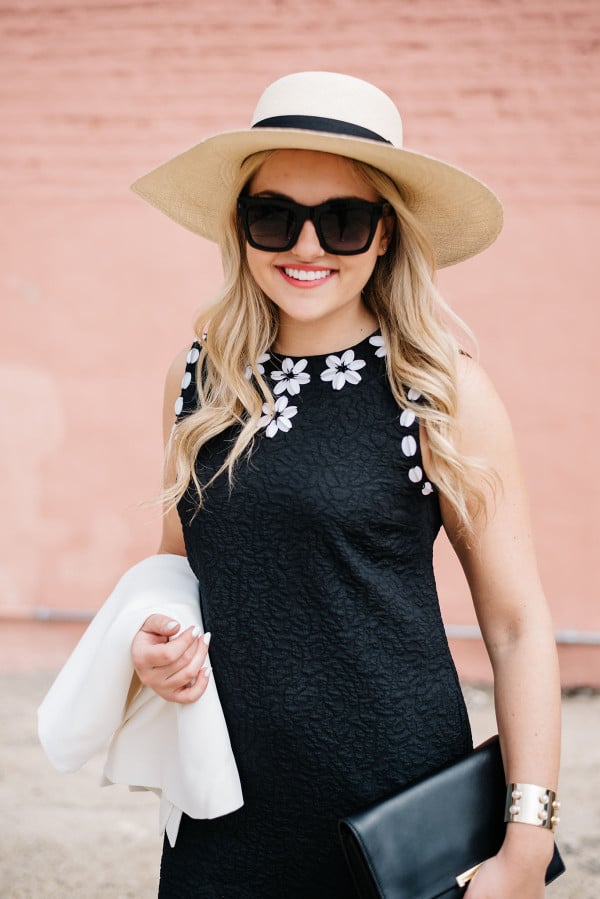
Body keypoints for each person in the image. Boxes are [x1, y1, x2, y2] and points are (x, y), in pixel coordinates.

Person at [125, 71, 561, 897]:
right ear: (241, 228)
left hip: (395, 821)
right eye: (274, 216)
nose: (307, 245)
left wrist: (528, 840)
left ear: (388, 234)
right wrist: (153, 643)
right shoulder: (200, 379)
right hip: (220, 811)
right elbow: (177, 570)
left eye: (345, 220)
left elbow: (516, 625)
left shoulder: (440, 390)